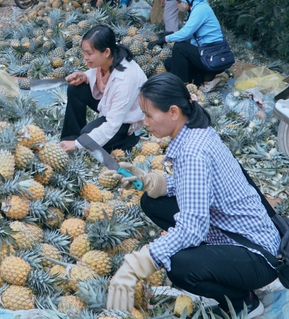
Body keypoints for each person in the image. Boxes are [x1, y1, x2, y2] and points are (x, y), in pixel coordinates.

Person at [104, 73, 279, 318]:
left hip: (257, 254)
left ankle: (244, 302)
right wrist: (153, 182)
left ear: (173, 112)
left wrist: (137, 264)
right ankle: (215, 264)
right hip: (234, 232)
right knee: (152, 201)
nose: (145, 122)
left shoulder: (192, 152)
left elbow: (192, 227)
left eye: (149, 114)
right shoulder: (195, 132)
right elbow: (197, 186)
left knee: (180, 266)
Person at [60, 25, 147, 152]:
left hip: (125, 118)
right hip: (109, 102)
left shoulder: (124, 80)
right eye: (84, 52)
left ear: (106, 52)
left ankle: (128, 140)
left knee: (87, 137)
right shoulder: (109, 56)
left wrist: (79, 144)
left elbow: (112, 124)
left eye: (89, 53)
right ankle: (70, 137)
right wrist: (84, 76)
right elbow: (99, 74)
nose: (85, 57)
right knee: (75, 89)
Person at [148, 0, 229, 88]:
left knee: (180, 47)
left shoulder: (200, 9)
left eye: (178, 1)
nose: (178, 4)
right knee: (170, 63)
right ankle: (203, 79)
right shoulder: (196, 8)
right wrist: (170, 34)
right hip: (206, 53)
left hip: (213, 56)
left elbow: (186, 33)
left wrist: (165, 39)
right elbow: (190, 34)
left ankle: (181, 86)